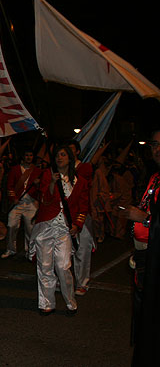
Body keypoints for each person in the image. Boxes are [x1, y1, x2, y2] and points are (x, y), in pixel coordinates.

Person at [29, 145, 88, 316]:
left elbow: (83, 206)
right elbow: (44, 200)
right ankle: (46, 303)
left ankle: (70, 301)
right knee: (45, 266)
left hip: (65, 229)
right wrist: (53, 183)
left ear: (70, 158)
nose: (59, 158)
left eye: (63, 155)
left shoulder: (81, 181)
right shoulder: (48, 175)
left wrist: (77, 224)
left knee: (63, 266)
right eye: (57, 155)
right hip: (46, 227)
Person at [119, 131, 160, 364]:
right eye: (154, 144)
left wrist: (144, 219)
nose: (157, 149)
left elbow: (151, 217)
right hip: (147, 256)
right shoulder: (155, 177)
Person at [2, 149, 42, 259]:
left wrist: (38, 184)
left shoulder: (37, 171)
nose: (28, 157)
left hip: (31, 203)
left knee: (30, 229)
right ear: (23, 156)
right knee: (11, 225)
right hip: (18, 202)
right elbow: (10, 186)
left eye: (30, 155)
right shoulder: (15, 169)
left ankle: (30, 251)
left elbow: (42, 189)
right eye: (26, 155)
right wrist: (13, 198)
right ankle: (10, 249)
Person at [67, 140, 94, 296]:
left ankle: (82, 282)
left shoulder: (84, 167)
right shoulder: (59, 170)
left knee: (82, 250)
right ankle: (62, 279)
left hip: (81, 213)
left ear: (77, 152)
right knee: (63, 251)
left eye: (71, 150)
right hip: (64, 215)